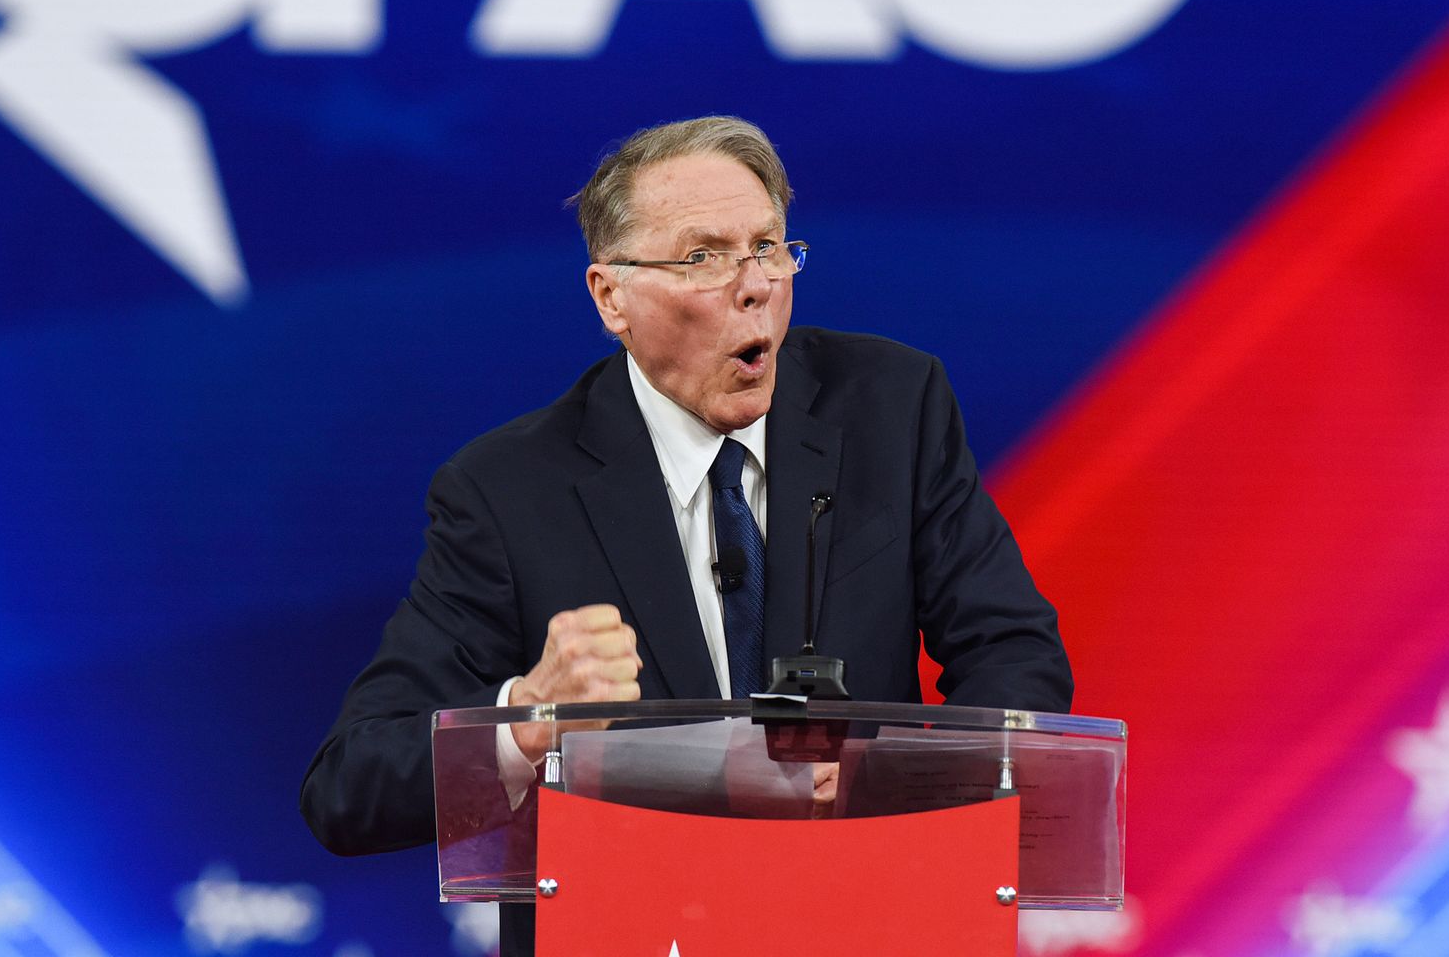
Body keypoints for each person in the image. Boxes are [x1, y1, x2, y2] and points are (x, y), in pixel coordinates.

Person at [300, 116, 1073, 955]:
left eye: (769, 248)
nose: (753, 286)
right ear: (611, 297)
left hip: (866, 918)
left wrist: (900, 785)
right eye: (703, 257)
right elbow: (349, 787)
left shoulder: (892, 407)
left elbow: (1014, 655)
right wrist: (525, 716)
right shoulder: (507, 491)